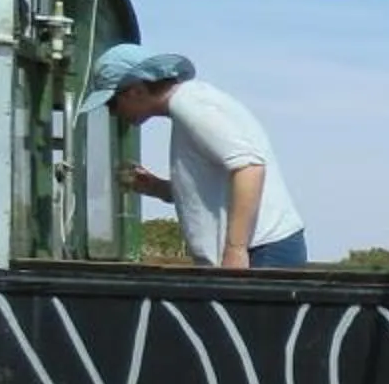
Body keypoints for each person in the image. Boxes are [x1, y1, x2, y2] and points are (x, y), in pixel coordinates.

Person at [89, 45, 310, 269]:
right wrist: (157, 187)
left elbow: (250, 168)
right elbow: (217, 186)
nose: (113, 112)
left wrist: (236, 251)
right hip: (262, 249)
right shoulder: (192, 103)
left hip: (262, 251)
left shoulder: (191, 107)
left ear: (136, 90)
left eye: (111, 103)